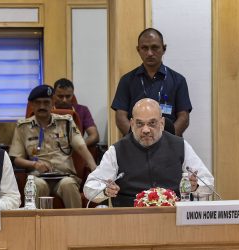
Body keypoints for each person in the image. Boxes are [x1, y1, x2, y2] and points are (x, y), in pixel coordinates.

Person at [84, 98, 214, 207]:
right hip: (130, 220)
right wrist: (106, 191)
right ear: (132, 123)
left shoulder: (180, 145)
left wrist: (195, 186)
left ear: (162, 123)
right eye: (140, 124)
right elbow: (90, 188)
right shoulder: (117, 151)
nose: (146, 130)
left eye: (152, 123)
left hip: (173, 218)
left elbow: (208, 182)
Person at [9, 85, 97, 208]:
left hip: (64, 176)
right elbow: (16, 159)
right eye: (38, 103)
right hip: (38, 175)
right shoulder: (23, 127)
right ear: (32, 105)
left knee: (69, 185)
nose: (42, 106)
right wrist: (34, 164)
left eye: (46, 102)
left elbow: (81, 147)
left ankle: (77, 224)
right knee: (37, 185)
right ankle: (38, 225)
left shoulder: (66, 122)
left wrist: (95, 169)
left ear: (53, 103)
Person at [111, 28, 192, 137]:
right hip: (135, 146)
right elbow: (120, 117)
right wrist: (136, 140)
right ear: (138, 50)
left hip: (169, 146)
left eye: (155, 47)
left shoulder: (178, 80)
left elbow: (184, 118)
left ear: (164, 49)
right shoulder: (126, 80)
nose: (149, 53)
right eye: (144, 48)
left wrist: (166, 142)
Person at [53, 78, 99, 147]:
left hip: (75, 150)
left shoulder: (82, 110)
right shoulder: (47, 110)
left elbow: (94, 136)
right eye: (60, 96)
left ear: (72, 95)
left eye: (68, 96)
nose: (64, 100)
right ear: (54, 95)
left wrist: (78, 146)